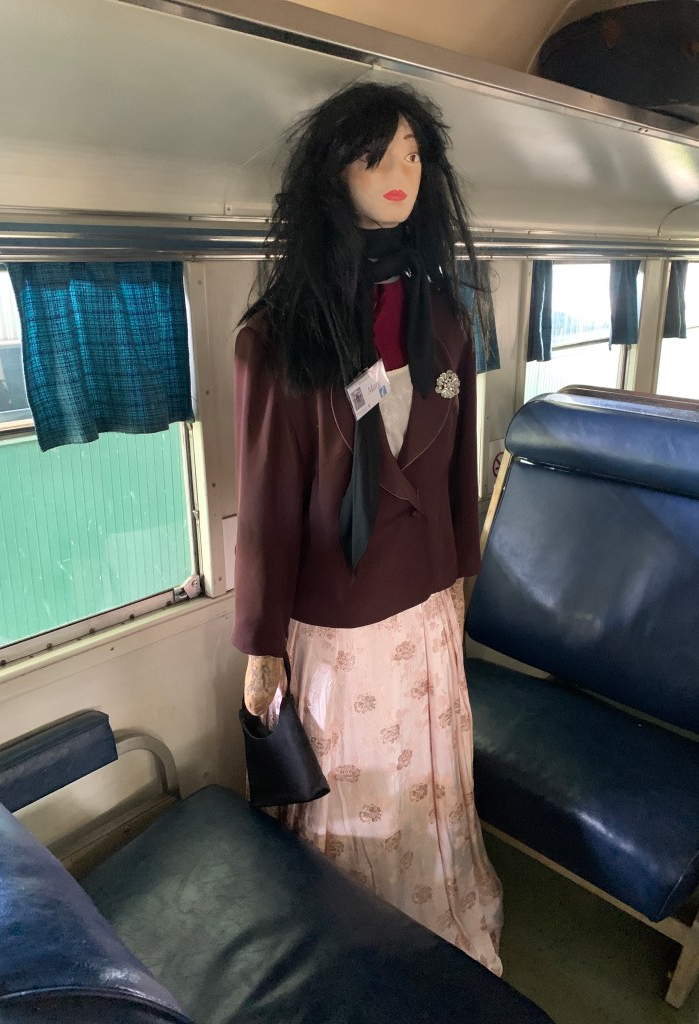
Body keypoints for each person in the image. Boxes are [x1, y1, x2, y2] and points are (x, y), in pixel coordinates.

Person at [232, 81, 503, 974]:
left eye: (414, 155)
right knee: (356, 804)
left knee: (431, 784)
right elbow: (266, 509)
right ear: (332, 174)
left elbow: (457, 469)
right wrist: (260, 649)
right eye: (376, 156)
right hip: (341, 627)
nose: (401, 173)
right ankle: (359, 960)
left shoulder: (447, 319)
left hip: (426, 610)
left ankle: (439, 940)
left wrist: (459, 579)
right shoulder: (280, 337)